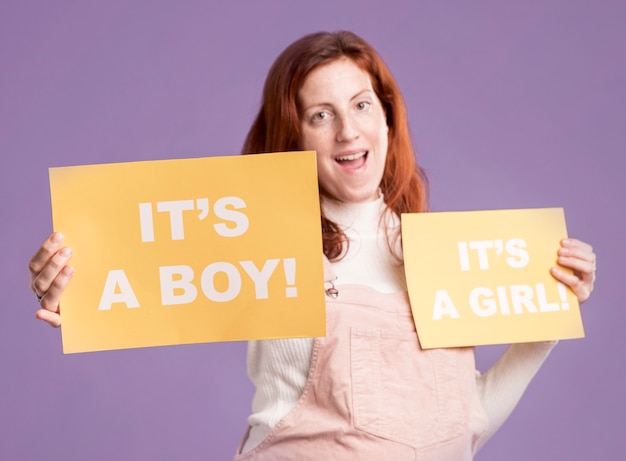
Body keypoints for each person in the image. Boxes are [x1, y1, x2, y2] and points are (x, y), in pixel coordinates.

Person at [28, 31, 596, 460]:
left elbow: (461, 427)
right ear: (293, 136)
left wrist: (544, 324)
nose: (348, 131)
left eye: (362, 105)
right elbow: (143, 271)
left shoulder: (435, 253)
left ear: (388, 119)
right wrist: (73, 289)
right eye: (321, 115)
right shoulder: (260, 238)